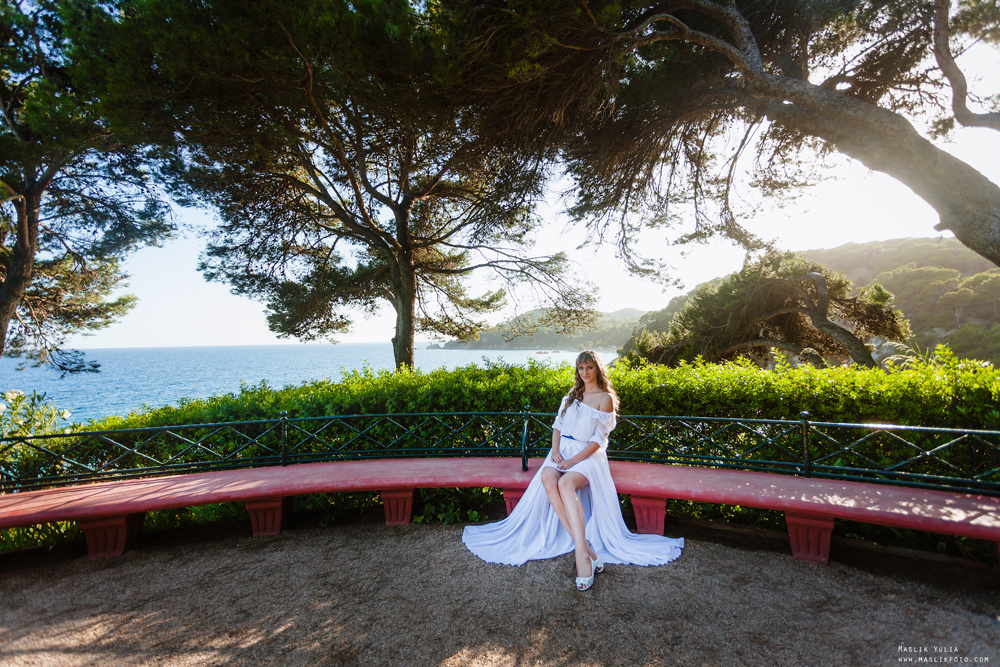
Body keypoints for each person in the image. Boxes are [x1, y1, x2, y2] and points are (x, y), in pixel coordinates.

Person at [462, 350, 684, 591]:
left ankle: (581, 556)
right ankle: (587, 547)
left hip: (588, 455)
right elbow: (557, 426)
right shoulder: (572, 394)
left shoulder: (604, 398)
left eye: (589, 367)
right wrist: (555, 451)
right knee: (548, 477)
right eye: (581, 368)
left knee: (565, 484)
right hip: (562, 450)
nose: (584, 373)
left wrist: (572, 461)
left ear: (597, 368)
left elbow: (599, 441)